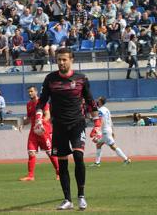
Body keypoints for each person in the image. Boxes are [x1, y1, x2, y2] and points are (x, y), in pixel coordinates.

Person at [36, 48, 99, 211]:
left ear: (71, 60)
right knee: (62, 163)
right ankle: (67, 200)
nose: (61, 62)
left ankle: (81, 197)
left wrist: (97, 125)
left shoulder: (81, 79)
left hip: (77, 123)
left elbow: (91, 101)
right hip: (58, 126)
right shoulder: (50, 79)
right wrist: (38, 119)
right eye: (59, 60)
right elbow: (42, 101)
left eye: (64, 59)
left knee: (78, 156)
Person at [19, 86, 60, 181]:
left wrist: (41, 122)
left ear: (36, 92)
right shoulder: (29, 104)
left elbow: (48, 115)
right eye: (28, 92)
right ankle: (30, 175)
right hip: (33, 132)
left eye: (31, 91)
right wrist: (22, 124)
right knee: (31, 153)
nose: (30, 93)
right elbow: (29, 118)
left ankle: (59, 173)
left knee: (50, 153)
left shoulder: (42, 102)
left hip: (43, 131)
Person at [90, 97, 131, 166]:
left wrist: (98, 132)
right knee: (99, 145)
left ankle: (126, 159)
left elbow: (100, 121)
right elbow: (110, 121)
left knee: (112, 146)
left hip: (105, 131)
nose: (96, 100)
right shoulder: (107, 110)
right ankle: (97, 163)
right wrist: (112, 131)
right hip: (108, 130)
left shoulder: (100, 110)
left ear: (100, 102)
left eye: (98, 100)